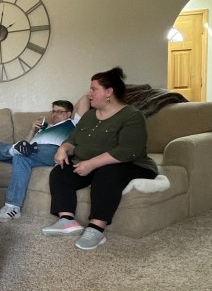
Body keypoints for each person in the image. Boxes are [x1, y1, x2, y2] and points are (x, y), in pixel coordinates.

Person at [42, 67, 158, 251]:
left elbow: (129, 150)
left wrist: (91, 163)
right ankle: (67, 219)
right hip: (93, 164)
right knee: (60, 172)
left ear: (109, 92)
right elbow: (72, 140)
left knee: (107, 172)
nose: (89, 93)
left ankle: (96, 228)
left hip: (130, 164)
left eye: (93, 89)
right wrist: (63, 149)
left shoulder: (132, 116)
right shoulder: (89, 116)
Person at [0, 95, 90, 221]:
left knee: (24, 151)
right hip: (31, 152)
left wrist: (89, 95)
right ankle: (13, 150)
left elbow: (85, 100)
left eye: (59, 112)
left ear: (69, 114)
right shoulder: (44, 127)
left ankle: (12, 206)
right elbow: (25, 144)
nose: (55, 114)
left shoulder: (73, 123)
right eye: (53, 111)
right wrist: (32, 131)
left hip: (52, 150)